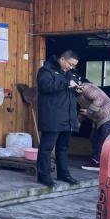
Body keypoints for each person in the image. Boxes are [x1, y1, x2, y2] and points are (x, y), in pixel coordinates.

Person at [36, 50, 81, 186]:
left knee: (63, 148)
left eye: (74, 65)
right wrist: (66, 84)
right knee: (46, 147)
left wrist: (77, 89)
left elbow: (70, 91)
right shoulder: (46, 70)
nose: (71, 67)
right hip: (52, 116)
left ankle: (63, 174)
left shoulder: (71, 73)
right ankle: (44, 176)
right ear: (62, 59)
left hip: (68, 118)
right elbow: (45, 87)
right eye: (70, 64)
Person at [77, 82, 110, 170]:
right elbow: (83, 109)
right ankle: (97, 161)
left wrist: (89, 112)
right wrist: (77, 123)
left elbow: (99, 99)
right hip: (98, 117)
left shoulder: (86, 87)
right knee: (94, 137)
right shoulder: (76, 94)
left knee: (108, 138)